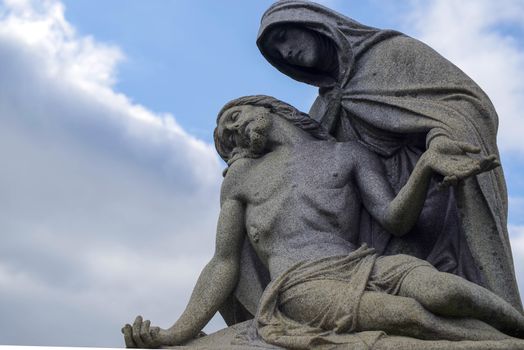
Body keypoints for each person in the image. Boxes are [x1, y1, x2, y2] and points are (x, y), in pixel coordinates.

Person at [122, 95, 522, 349]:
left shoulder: (347, 154)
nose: (229, 129)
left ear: (268, 107)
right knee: (409, 317)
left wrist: (425, 167)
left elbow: (395, 220)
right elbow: (224, 262)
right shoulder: (242, 179)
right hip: (302, 284)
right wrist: (178, 332)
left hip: (366, 262)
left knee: (450, 292)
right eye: (224, 136)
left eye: (233, 115)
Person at [255, 0, 521, 312]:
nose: (286, 52)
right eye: (277, 52)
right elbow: (309, 166)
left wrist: (440, 139)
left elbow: (466, 103)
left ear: (313, 24)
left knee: (435, 291)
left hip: (431, 193)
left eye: (285, 36)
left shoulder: (394, 54)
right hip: (376, 214)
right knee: (390, 301)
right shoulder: (322, 109)